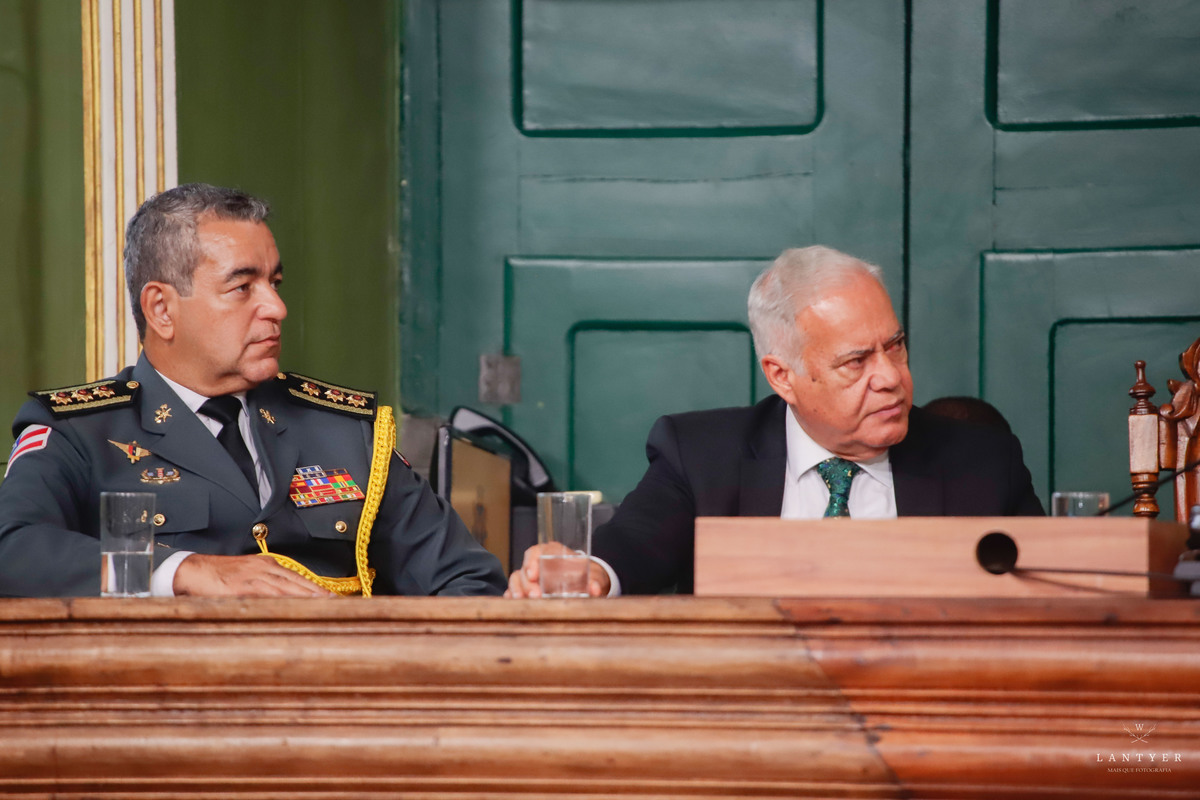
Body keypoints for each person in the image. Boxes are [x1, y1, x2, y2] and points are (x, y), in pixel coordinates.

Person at [0, 183, 505, 598]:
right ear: (161, 309)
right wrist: (188, 571)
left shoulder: (345, 429)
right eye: (243, 287)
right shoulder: (79, 429)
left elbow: (466, 579)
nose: (276, 308)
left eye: (275, 283)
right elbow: (13, 550)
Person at [507, 245, 1043, 597]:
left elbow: (1059, 599)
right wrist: (591, 574)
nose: (891, 377)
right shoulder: (700, 455)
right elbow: (634, 547)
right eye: (856, 361)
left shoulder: (983, 462)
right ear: (781, 375)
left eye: (895, 347)